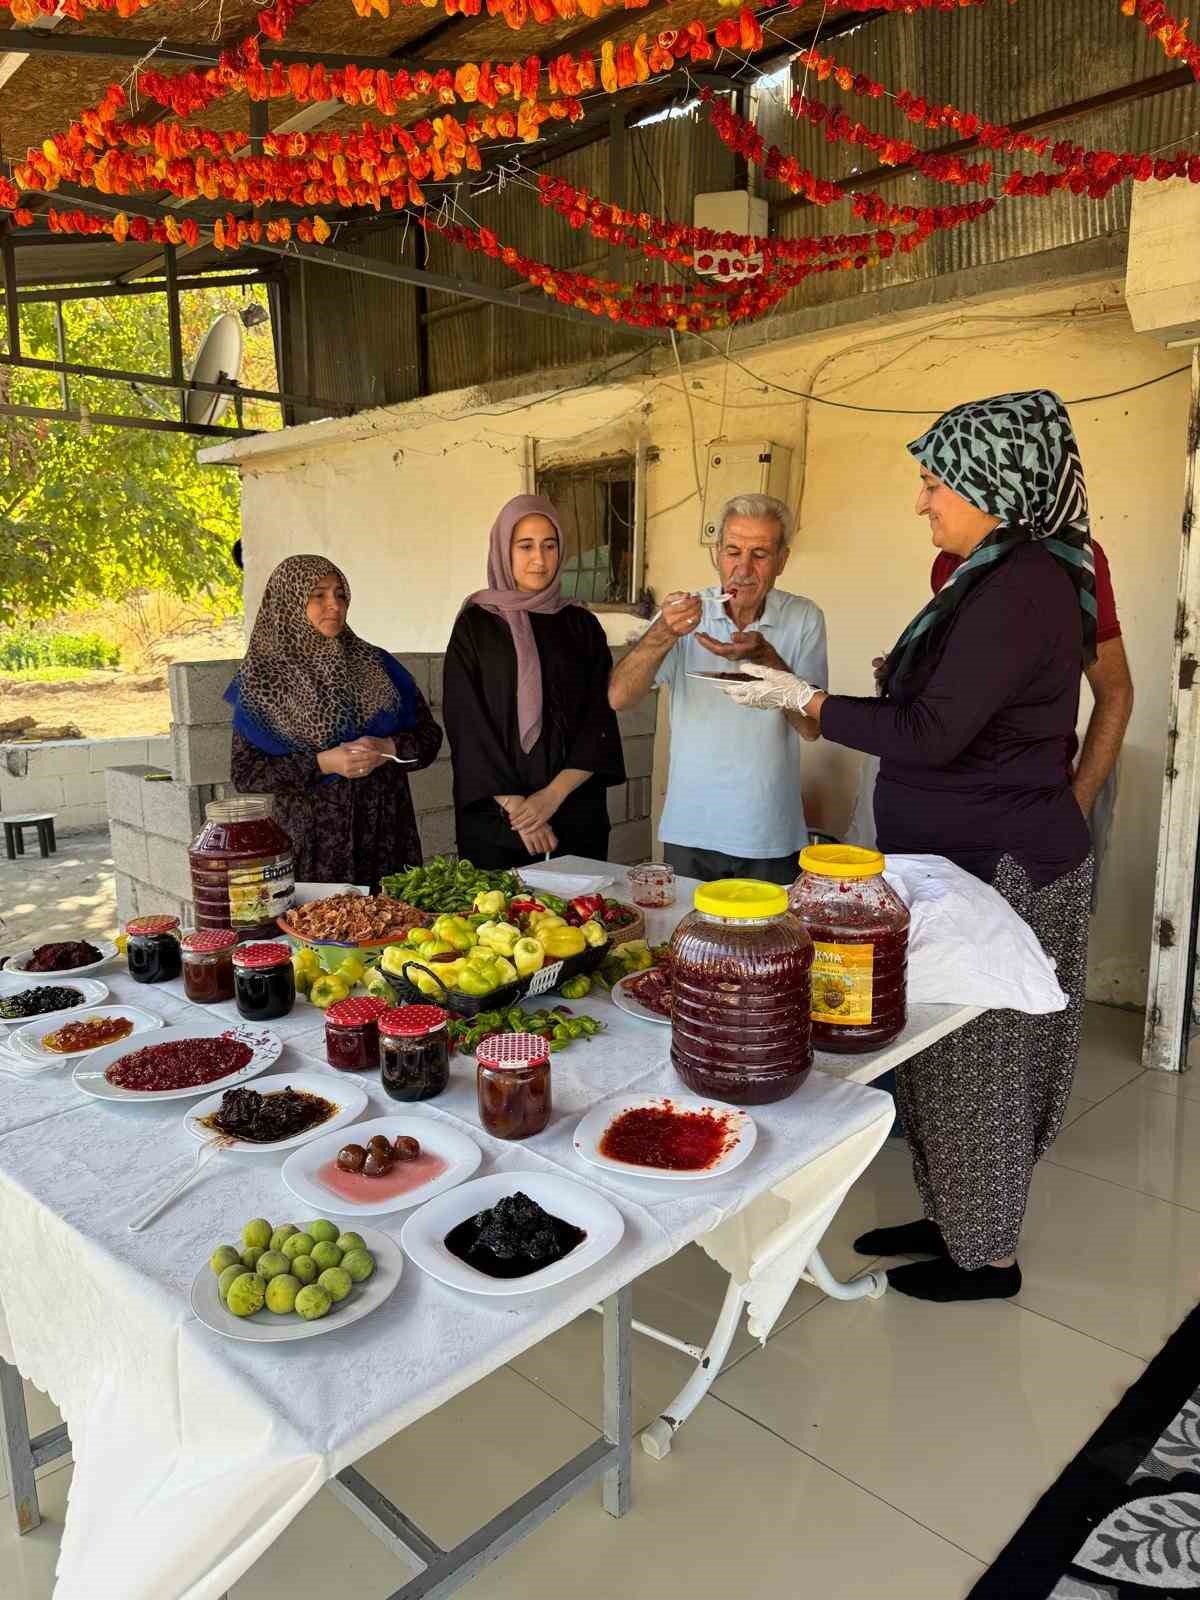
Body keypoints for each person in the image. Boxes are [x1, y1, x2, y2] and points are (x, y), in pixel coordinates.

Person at [721, 391, 1097, 1304]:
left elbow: (933, 735)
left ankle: (986, 1260)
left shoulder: (1024, 585)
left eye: (935, 483)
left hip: (1001, 868)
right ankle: (950, 1218)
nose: (921, 501)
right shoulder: (990, 577)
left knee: (982, 1068)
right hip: (957, 861)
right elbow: (953, 708)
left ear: (992, 484)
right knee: (935, 1058)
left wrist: (804, 700)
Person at [608, 493, 828, 887]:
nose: (743, 569)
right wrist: (662, 632)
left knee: (768, 930)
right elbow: (619, 698)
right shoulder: (685, 614)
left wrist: (768, 659)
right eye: (733, 551)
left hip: (770, 832)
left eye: (760, 554)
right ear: (716, 554)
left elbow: (812, 728)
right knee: (686, 928)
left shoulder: (803, 617)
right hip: (690, 829)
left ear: (782, 560)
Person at [227, 554, 443, 886]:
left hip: (387, 836)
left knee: (395, 916)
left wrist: (388, 748)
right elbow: (246, 774)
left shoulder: (377, 666)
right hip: (315, 847)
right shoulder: (263, 681)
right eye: (319, 595)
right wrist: (323, 763)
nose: (335, 605)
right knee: (321, 919)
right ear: (288, 601)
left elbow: (429, 738)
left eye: (340, 594)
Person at [443, 494, 626, 867]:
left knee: (579, 906)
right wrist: (520, 811)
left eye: (550, 545)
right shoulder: (475, 626)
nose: (539, 559)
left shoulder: (582, 625)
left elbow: (598, 720)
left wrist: (550, 797)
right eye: (525, 546)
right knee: (496, 906)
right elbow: (467, 723)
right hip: (497, 819)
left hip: (574, 814)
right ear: (503, 549)